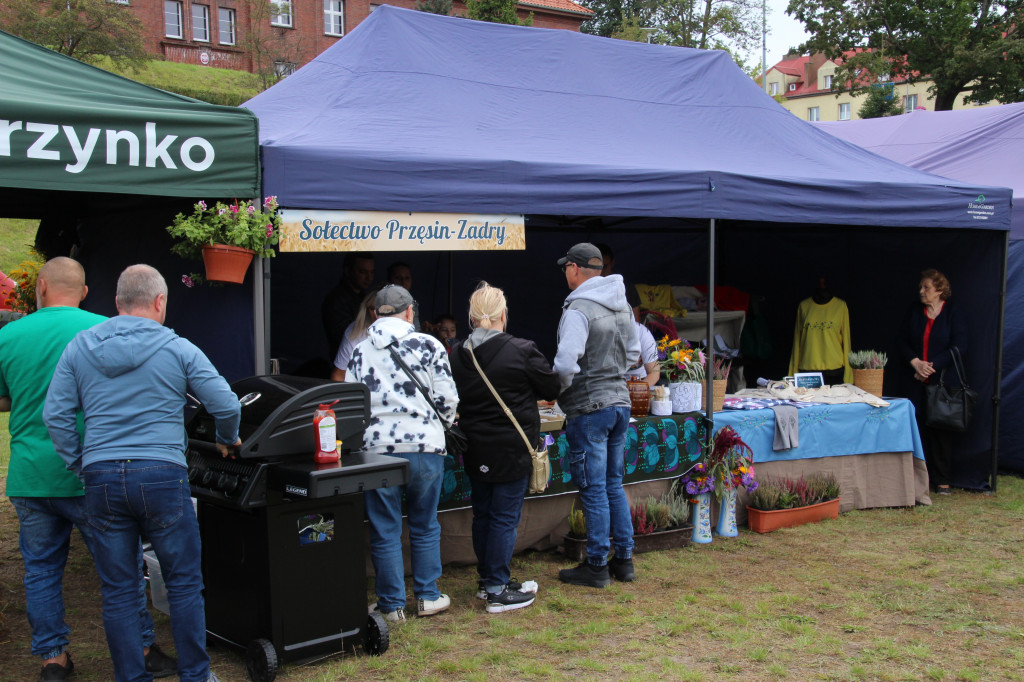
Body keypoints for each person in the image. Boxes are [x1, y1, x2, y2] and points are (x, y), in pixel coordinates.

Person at [44, 264, 241, 682]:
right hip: (162, 475)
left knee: (118, 592)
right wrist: (227, 438)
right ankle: (197, 676)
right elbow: (227, 404)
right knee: (184, 583)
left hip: (101, 477)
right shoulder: (178, 348)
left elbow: (56, 416)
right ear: (159, 301)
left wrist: (81, 463)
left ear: (116, 303)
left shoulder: (80, 347)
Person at [0, 258, 177, 681]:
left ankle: (53, 661)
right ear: (84, 292)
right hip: (91, 469)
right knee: (121, 566)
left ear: (40, 287)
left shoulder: (7, 334)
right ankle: (143, 647)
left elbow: (5, 398)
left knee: (40, 569)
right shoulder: (105, 329)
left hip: (30, 472)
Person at [345, 284, 458, 621]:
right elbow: (448, 399)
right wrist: (444, 426)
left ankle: (392, 606)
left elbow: (352, 405)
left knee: (385, 527)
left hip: (378, 450)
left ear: (376, 313)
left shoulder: (360, 351)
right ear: (410, 312)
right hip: (425, 446)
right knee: (425, 523)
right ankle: (427, 596)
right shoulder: (430, 345)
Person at [448, 282, 560, 613]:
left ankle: (489, 581)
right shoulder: (522, 349)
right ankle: (497, 588)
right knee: (504, 518)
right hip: (511, 447)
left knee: (483, 514)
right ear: (503, 314)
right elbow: (551, 385)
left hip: (475, 446)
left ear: (471, 316)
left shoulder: (457, 354)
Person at [552, 243, 640, 587]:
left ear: (574, 269)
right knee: (613, 485)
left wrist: (557, 391)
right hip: (620, 403)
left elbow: (564, 363)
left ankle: (596, 565)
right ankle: (625, 561)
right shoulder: (622, 305)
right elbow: (633, 353)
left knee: (593, 489)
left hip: (589, 406)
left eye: (565, 268)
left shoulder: (578, 308)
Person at [898, 269, 966, 495]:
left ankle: (942, 479)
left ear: (939, 289)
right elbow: (902, 341)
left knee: (940, 429)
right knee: (915, 426)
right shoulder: (914, 311)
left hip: (942, 382)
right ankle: (916, 478)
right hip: (914, 379)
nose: (921, 291)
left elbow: (959, 346)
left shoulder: (953, 312)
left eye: (926, 287)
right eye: (921, 287)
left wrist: (930, 366)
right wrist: (916, 363)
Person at [322, 252, 375, 358]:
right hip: (346, 362)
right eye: (362, 272)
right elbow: (346, 336)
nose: (368, 277)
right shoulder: (336, 300)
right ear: (347, 271)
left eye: (371, 272)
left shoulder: (365, 297)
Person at [330, 287, 379, 381]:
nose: (377, 314)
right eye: (373, 308)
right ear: (366, 309)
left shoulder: (406, 333)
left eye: (383, 309)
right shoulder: (356, 333)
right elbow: (339, 375)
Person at [625, 284, 660, 387]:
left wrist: (636, 391)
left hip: (640, 381)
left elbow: (654, 373)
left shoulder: (642, 333)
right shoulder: (603, 332)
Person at [386, 261, 421, 330]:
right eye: (397, 278)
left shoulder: (413, 305)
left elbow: (415, 331)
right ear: (389, 280)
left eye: (407, 278)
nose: (403, 282)